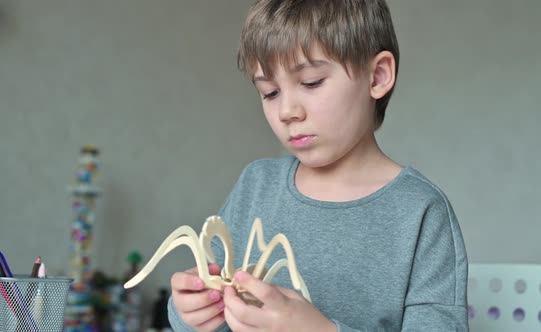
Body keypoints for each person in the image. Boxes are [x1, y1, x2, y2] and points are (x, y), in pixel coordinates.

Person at [168, 0, 468, 331]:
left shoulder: (420, 211)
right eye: (269, 92)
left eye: (311, 82)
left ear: (378, 76)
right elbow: (214, 309)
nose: (287, 111)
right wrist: (191, 312)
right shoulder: (256, 185)